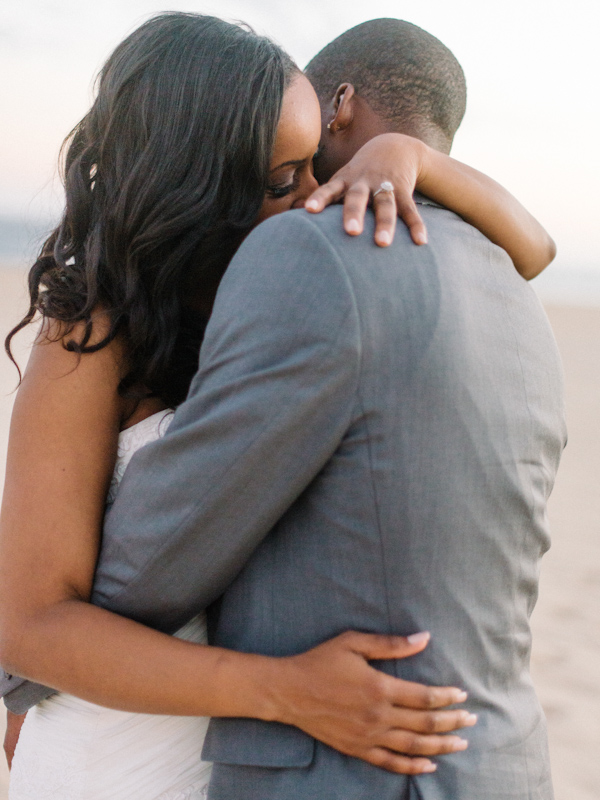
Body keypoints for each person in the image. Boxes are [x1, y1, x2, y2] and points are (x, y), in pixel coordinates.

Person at [0, 13, 558, 800]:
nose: (311, 202)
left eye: (313, 166)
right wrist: (279, 689)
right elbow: (31, 627)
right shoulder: (90, 331)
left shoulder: (266, 309)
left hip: (237, 754)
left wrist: (406, 158)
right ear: (192, 182)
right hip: (119, 748)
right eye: (277, 181)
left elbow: (533, 249)